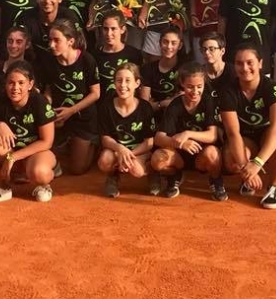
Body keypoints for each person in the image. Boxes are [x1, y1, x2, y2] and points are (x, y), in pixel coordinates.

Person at [0, 60, 57, 206]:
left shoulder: (39, 102)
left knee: (40, 173)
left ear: (30, 85)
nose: (15, 88)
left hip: (34, 153)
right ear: (5, 83)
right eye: (11, 82)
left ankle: (43, 185)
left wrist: (13, 157)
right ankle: (1, 188)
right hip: (10, 150)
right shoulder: (1, 100)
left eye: (21, 83)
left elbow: (47, 141)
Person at [219, 44, 276, 210]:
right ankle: (248, 181)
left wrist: (257, 163)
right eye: (239, 63)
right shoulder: (228, 91)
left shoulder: (273, 88)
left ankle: (274, 187)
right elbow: (232, 133)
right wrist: (246, 170)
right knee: (232, 160)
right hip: (246, 139)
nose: (244, 68)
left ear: (260, 63)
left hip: (268, 136)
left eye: (250, 62)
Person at [151, 62, 226, 200]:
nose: (195, 92)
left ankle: (216, 180)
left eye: (199, 87)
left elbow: (213, 136)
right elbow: (159, 138)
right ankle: (175, 175)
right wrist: (180, 144)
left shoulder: (208, 101)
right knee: (157, 160)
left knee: (213, 154)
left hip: (201, 155)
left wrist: (187, 134)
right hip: (179, 156)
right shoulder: (175, 105)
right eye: (190, 87)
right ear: (182, 84)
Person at [39, 19, 100, 175]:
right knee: (48, 158)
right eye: (50, 40)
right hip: (59, 118)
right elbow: (48, 90)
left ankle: (93, 143)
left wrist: (71, 111)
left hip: (83, 118)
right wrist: (50, 113)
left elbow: (95, 94)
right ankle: (68, 144)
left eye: (56, 40)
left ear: (70, 41)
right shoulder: (47, 60)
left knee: (77, 169)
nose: (51, 45)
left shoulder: (87, 60)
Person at [97, 63, 158, 198]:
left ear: (137, 83)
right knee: (104, 161)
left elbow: (149, 143)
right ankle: (113, 178)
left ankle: (153, 174)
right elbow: (105, 138)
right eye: (119, 80)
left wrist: (128, 154)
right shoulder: (106, 107)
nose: (123, 85)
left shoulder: (145, 108)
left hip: (139, 151)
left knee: (137, 171)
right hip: (117, 151)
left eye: (128, 80)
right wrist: (120, 149)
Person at [0, 26, 31, 114]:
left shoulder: (32, 71)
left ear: (27, 45)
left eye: (19, 42)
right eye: (10, 41)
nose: (13, 45)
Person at [95, 9, 143, 94]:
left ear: (122, 29)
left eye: (113, 29)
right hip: (102, 105)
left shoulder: (134, 54)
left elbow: (139, 85)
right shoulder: (94, 55)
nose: (109, 33)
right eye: (106, 29)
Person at [140, 25, 185, 113]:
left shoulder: (185, 69)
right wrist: (164, 103)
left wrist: (155, 104)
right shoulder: (148, 69)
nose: (169, 46)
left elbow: (184, 101)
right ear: (160, 43)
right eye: (165, 42)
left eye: (174, 43)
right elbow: (144, 107)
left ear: (180, 46)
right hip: (153, 118)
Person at [21, 0, 63, 68]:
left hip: (61, 68)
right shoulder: (25, 17)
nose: (47, 0)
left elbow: (79, 46)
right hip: (32, 67)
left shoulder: (68, 17)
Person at [200, 32, 237, 103]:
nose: (207, 52)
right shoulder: (199, 73)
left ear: (222, 51)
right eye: (204, 49)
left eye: (212, 49)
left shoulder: (234, 72)